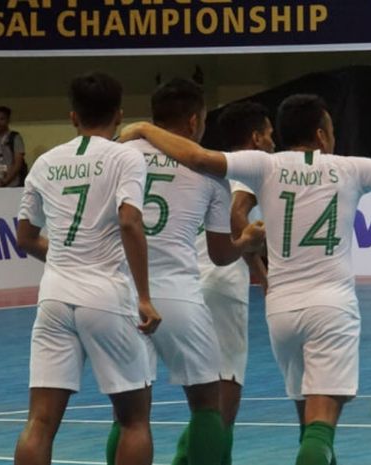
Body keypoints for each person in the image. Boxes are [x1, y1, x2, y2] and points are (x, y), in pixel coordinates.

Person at [120, 94, 371, 465]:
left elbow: (199, 158)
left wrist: (146, 129)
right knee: (320, 425)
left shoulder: (265, 165)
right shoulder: (351, 168)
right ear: (322, 136)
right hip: (330, 305)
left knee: (308, 425)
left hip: (281, 310)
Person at [14, 72, 162, 465]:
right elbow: (130, 221)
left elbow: (25, 238)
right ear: (119, 115)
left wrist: (68, 253)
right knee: (134, 420)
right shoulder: (125, 157)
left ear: (72, 116)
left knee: (40, 422)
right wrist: (144, 297)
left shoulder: (45, 163)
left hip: (55, 297)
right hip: (106, 295)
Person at [124, 78, 266, 465]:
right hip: (183, 289)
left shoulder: (117, 156)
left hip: (121, 291)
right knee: (210, 404)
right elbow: (222, 251)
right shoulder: (212, 170)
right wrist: (249, 244)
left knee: (129, 415)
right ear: (192, 121)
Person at [194, 101, 274, 464]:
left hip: (189, 277)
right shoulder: (249, 171)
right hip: (222, 279)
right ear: (256, 138)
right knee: (227, 387)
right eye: (270, 136)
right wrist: (261, 271)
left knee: (204, 391)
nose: (274, 143)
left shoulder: (209, 170)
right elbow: (236, 214)